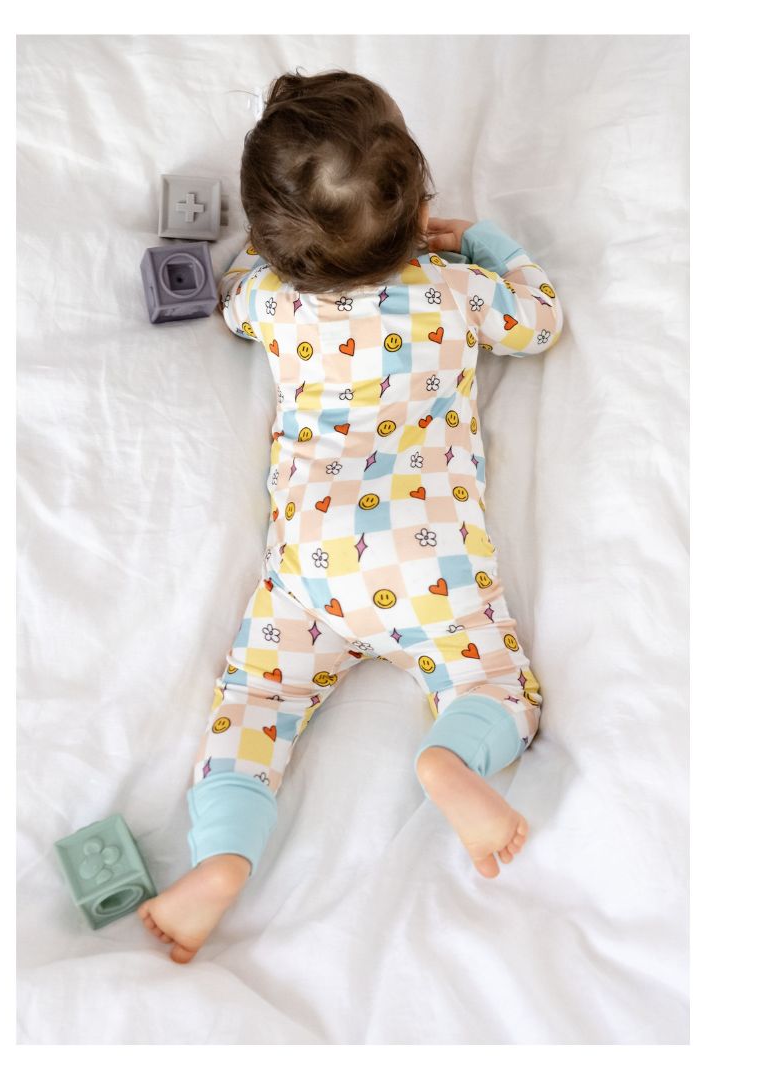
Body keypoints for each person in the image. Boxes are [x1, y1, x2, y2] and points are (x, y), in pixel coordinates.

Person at [139, 70, 564, 963]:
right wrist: (488, 244)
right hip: (429, 552)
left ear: (272, 240)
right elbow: (539, 322)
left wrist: (260, 260)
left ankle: (221, 858)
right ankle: (452, 755)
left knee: (255, 704)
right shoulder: (453, 291)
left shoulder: (274, 303)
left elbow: (227, 300)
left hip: (312, 563)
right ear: (419, 213)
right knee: (496, 691)